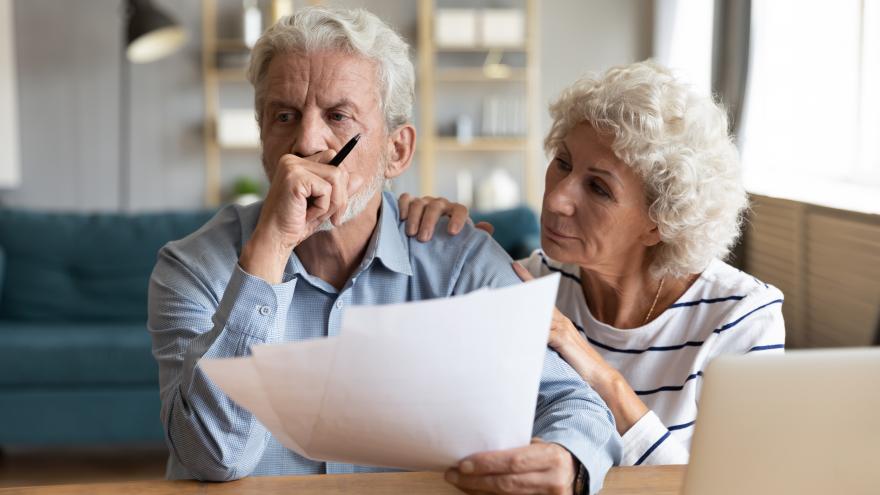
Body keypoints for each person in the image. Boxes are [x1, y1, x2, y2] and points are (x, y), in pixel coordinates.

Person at [147, 7, 621, 494]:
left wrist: (565, 459)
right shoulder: (192, 269)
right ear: (264, 136)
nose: (307, 141)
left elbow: (574, 404)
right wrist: (270, 248)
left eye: (338, 116)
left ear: (397, 150)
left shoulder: (460, 263)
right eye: (284, 116)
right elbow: (214, 458)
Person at [399, 60, 785, 466]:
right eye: (563, 163)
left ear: (659, 222)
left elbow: (733, 487)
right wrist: (433, 248)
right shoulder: (534, 280)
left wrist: (597, 371)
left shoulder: (742, 318)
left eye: (598, 188)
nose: (555, 199)